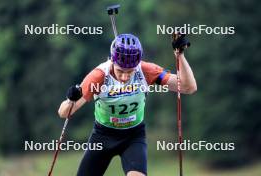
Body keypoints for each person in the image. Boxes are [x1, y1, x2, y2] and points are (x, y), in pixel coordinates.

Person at [58, 33, 197, 176]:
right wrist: (71, 99)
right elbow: (64, 113)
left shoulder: (145, 71)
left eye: (130, 72)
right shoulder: (99, 76)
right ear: (112, 61)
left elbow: (188, 87)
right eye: (120, 71)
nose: (125, 77)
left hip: (133, 136)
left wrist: (180, 56)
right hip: (102, 136)